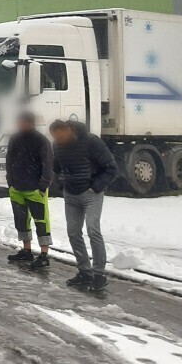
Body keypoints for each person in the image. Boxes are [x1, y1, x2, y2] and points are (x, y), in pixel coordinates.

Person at [50, 119, 118, 292]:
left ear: (70, 130)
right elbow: (56, 168)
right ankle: (84, 272)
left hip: (91, 194)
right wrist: (60, 182)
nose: (59, 140)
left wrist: (95, 186)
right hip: (70, 194)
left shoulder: (91, 141)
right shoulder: (57, 146)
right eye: (56, 137)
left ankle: (99, 274)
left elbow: (111, 168)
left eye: (61, 136)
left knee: (92, 230)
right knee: (73, 233)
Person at [4, 112, 54, 269]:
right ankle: (27, 250)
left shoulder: (41, 140)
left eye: (23, 122)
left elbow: (47, 164)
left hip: (35, 190)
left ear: (31, 123)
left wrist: (43, 185)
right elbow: (9, 160)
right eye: (19, 122)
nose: (20, 125)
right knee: (21, 220)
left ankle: (44, 255)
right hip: (17, 188)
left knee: (41, 221)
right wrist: (10, 182)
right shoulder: (14, 139)